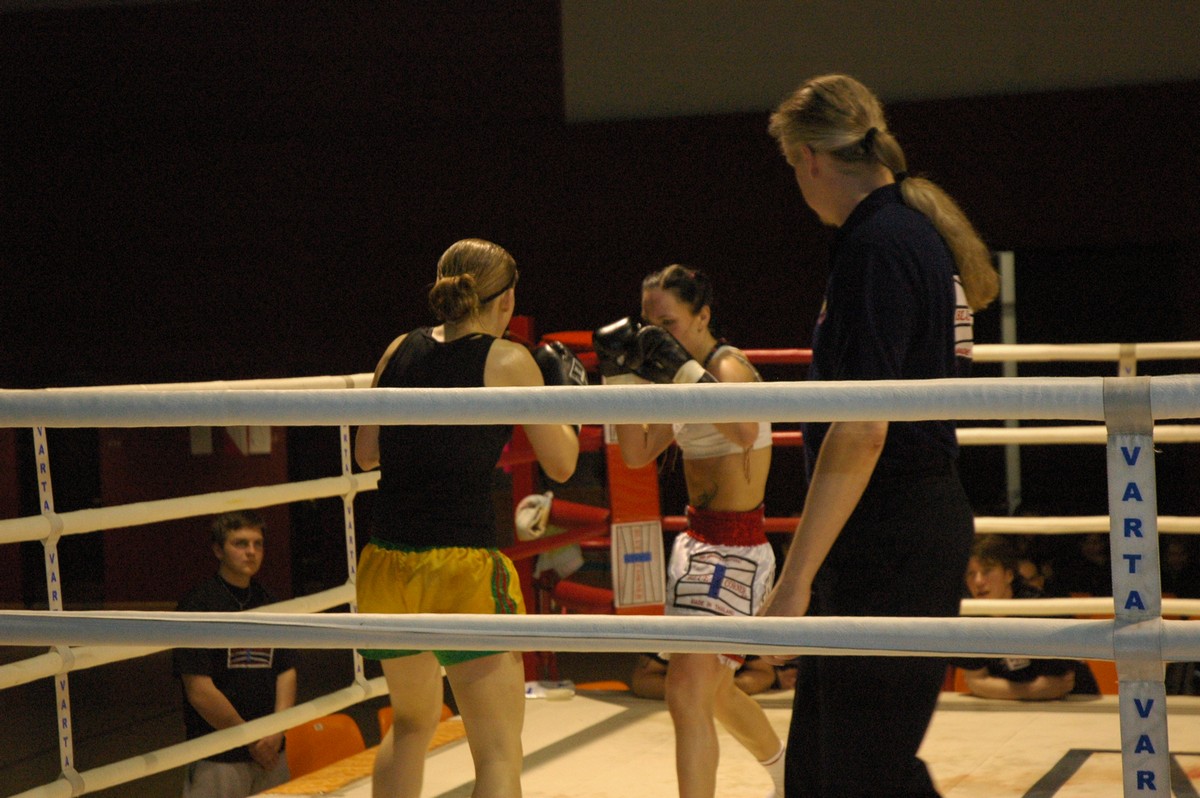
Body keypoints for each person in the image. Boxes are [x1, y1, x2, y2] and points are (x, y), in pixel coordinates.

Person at [761, 74, 1000, 797]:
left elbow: (864, 426)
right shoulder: (904, 233)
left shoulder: (879, 244)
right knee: (823, 772)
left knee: (862, 773)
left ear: (808, 158)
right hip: (884, 529)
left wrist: (795, 580)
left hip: (891, 533)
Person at [353, 238, 582, 798]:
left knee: (411, 724)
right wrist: (567, 399)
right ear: (506, 302)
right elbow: (562, 464)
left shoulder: (398, 348)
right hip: (462, 569)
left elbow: (365, 453)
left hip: (387, 565)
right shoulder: (507, 360)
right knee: (499, 753)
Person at [594, 264, 786, 798]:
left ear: (702, 316)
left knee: (685, 691)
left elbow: (743, 430)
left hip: (736, 547)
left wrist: (683, 373)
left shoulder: (728, 368)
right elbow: (636, 454)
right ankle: (788, 775)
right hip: (697, 542)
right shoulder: (672, 375)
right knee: (715, 693)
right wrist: (617, 379)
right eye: (648, 324)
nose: (656, 336)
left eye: (669, 323)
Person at [174, 510, 297, 798]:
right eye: (240, 543)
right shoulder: (198, 606)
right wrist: (250, 738)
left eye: (258, 544)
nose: (251, 552)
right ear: (218, 550)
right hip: (218, 758)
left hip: (271, 754)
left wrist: (276, 732)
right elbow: (199, 690)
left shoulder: (270, 602)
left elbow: (287, 671)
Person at [956, 535, 1098, 700]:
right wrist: (1031, 691)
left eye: (987, 571)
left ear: (1009, 574)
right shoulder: (969, 614)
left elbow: (1062, 683)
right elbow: (976, 682)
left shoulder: (1041, 610)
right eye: (970, 574)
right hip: (1010, 706)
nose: (978, 581)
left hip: (1074, 702)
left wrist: (1029, 690)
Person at [630, 653, 794, 700]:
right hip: (684, 696)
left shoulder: (736, 619)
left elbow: (764, 674)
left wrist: (719, 687)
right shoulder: (679, 620)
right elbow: (642, 681)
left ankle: (777, 761)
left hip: (726, 692)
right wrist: (694, 690)